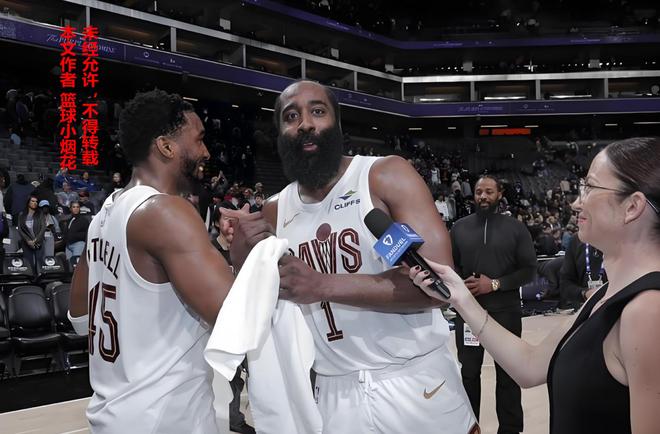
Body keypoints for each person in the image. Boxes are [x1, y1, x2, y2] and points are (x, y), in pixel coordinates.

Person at [228, 80, 478, 434]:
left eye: (318, 111)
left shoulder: (383, 176)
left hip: (416, 380)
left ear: (337, 122)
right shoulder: (274, 210)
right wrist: (240, 256)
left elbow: (440, 286)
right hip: (333, 392)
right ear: (279, 134)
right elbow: (259, 312)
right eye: (291, 117)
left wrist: (322, 285)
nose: (305, 124)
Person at [410, 137, 660, 434]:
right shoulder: (607, 294)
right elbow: (528, 366)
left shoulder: (648, 311)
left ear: (632, 207)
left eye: (590, 187)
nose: (576, 202)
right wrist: (460, 296)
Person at [68, 89, 237, 433]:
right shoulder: (166, 210)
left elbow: (79, 319)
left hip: (112, 415)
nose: (206, 151)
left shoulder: (103, 215)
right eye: (199, 139)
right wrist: (250, 252)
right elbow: (236, 320)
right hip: (166, 419)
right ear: (166, 146)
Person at [448, 175, 537, 434]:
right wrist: (460, 284)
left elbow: (529, 271)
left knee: (508, 375)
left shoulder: (516, 228)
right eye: (479, 192)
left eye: (489, 191)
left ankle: (510, 429)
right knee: (469, 374)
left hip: (506, 312)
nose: (483, 196)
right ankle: (469, 427)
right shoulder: (459, 228)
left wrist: (495, 284)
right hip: (469, 313)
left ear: (500, 194)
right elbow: (451, 266)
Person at [210, 201, 255, 434]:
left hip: (249, 321)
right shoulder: (209, 252)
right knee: (231, 378)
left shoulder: (247, 249)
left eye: (236, 220)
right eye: (228, 219)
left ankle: (259, 418)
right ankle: (234, 420)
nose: (232, 225)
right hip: (223, 324)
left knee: (256, 375)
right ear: (217, 223)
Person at [558, 232, 608, 310]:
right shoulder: (576, 240)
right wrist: (585, 293)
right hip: (584, 308)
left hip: (615, 307)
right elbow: (565, 284)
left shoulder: (621, 239)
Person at [17, 195, 47, 270]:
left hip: (38, 242)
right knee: (28, 262)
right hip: (26, 242)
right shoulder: (21, 214)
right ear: (28, 202)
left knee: (39, 262)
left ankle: (39, 276)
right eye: (32, 201)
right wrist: (28, 241)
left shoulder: (40, 213)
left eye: (36, 201)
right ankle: (31, 276)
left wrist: (36, 240)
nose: (35, 203)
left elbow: (43, 227)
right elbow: (20, 229)